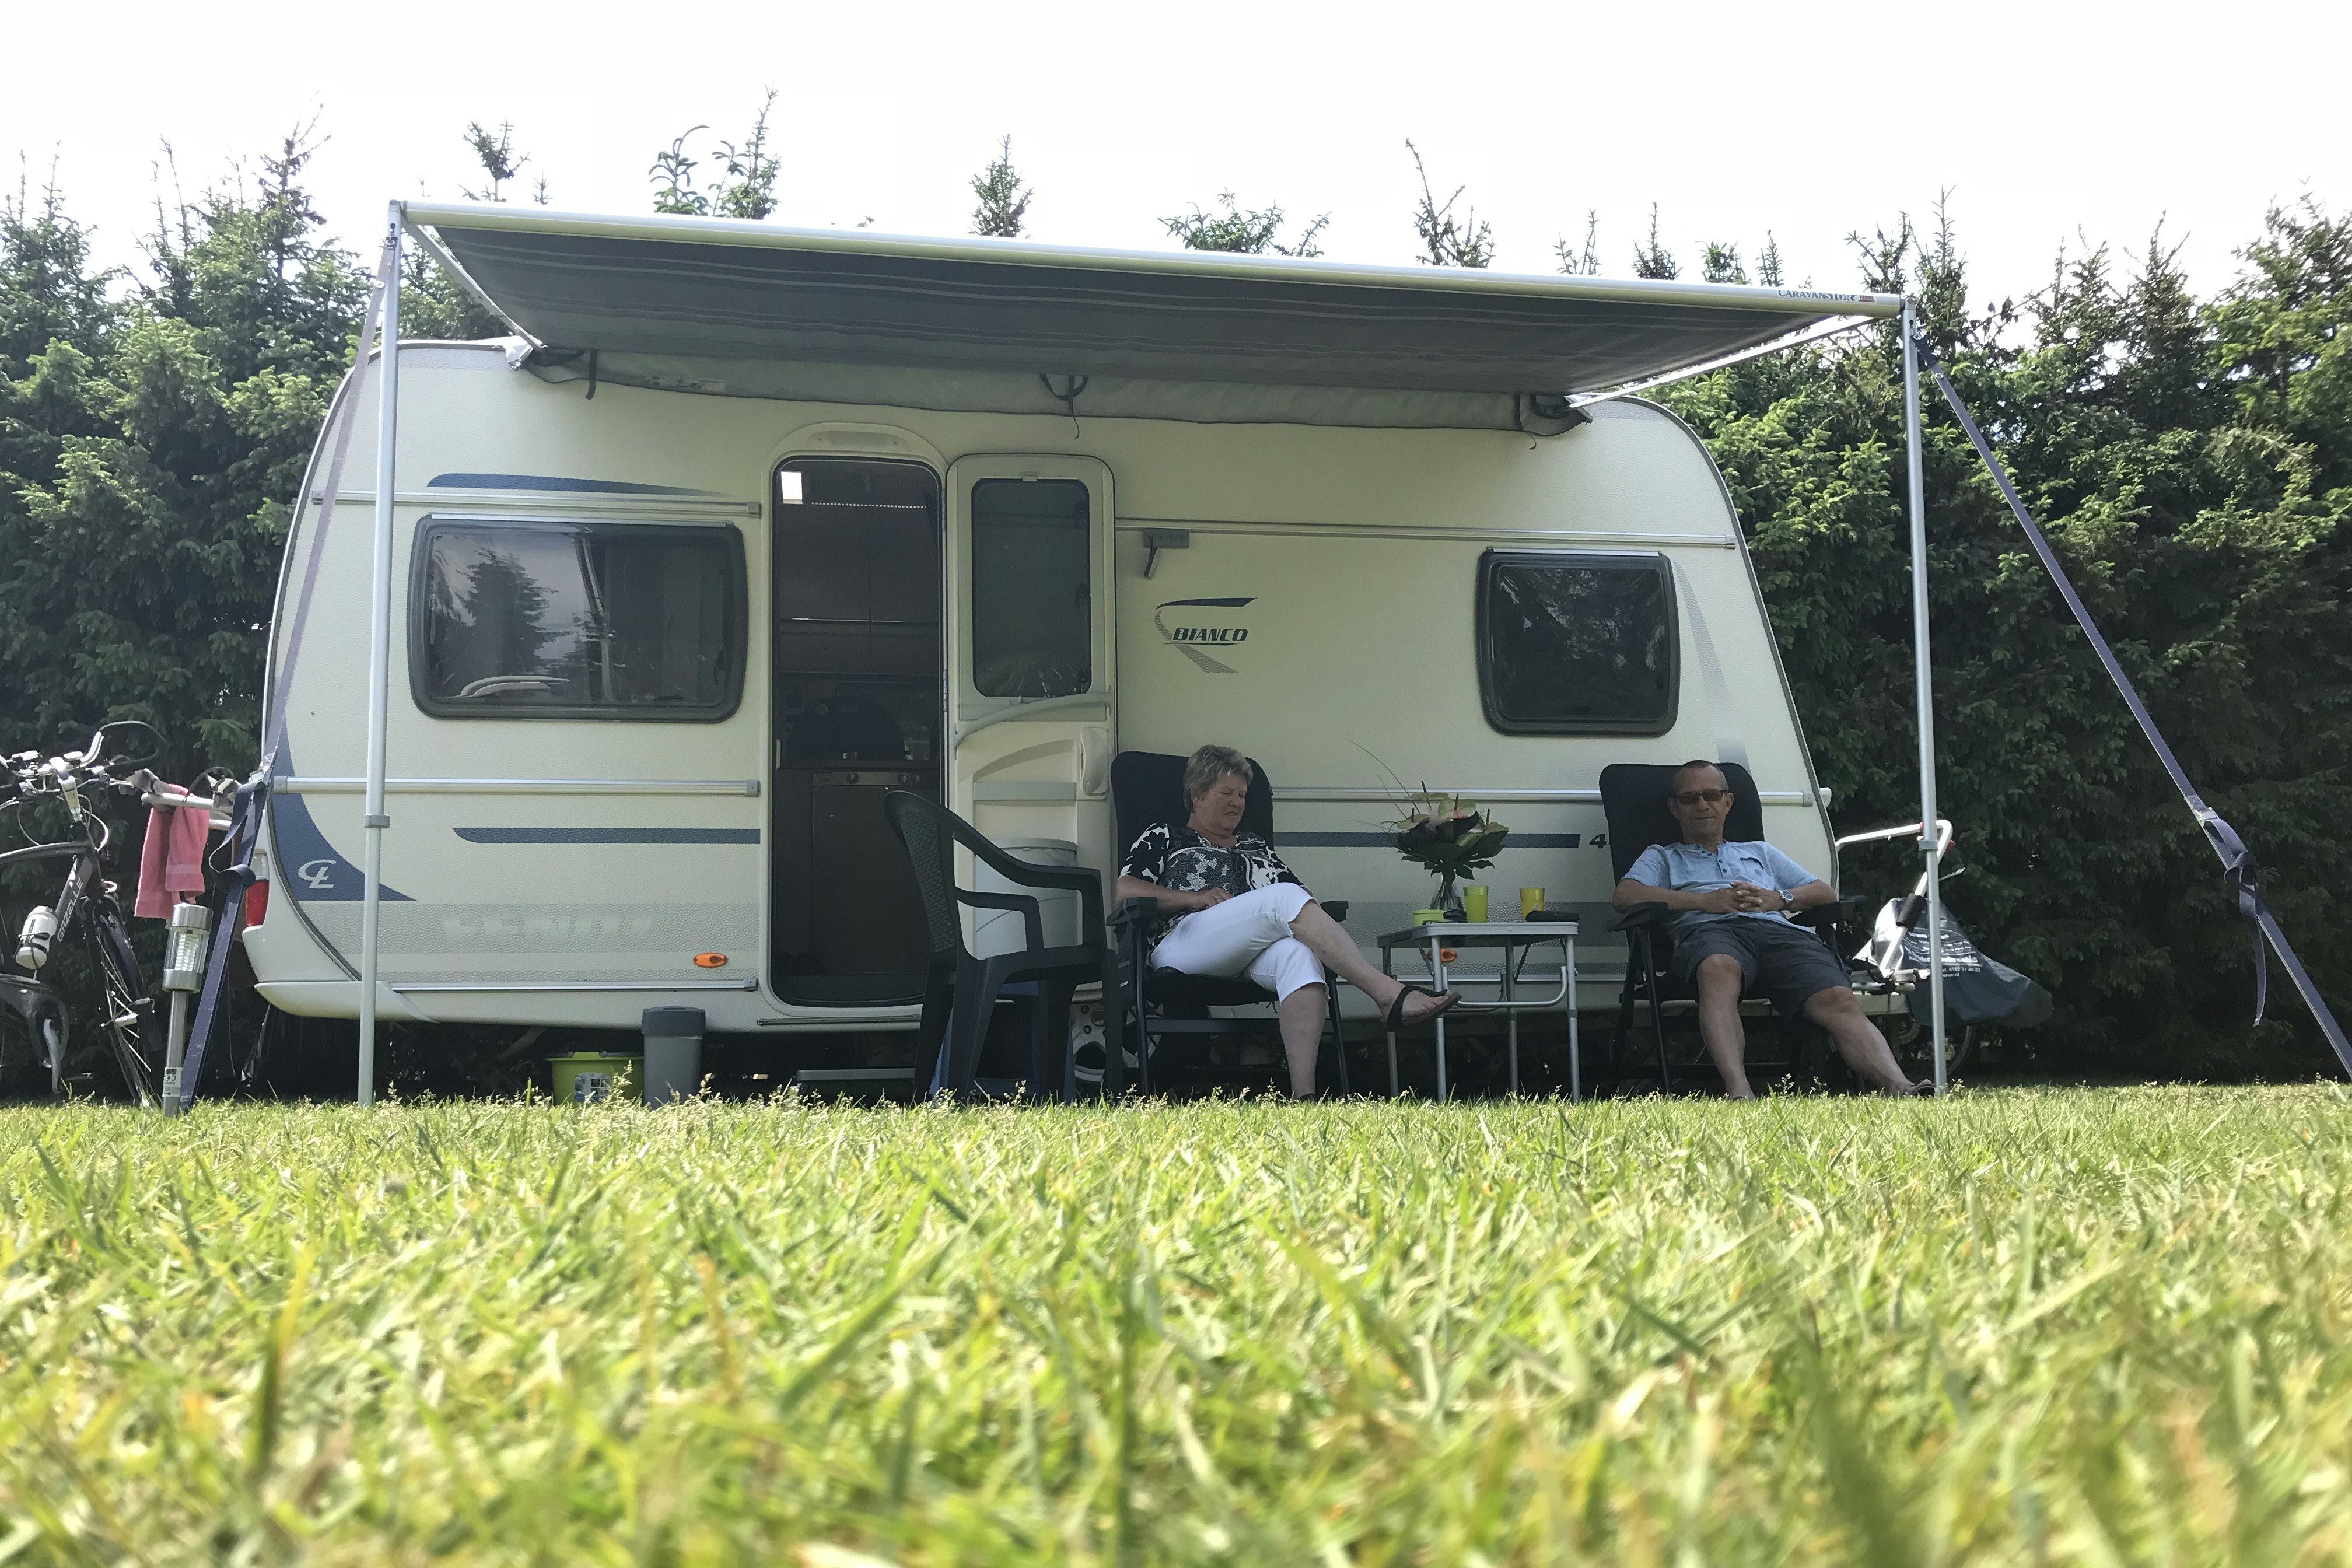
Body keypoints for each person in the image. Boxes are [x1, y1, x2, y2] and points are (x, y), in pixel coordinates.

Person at [1118, 744, 1457, 1098]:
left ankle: (1303, 1097)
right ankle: (1386, 993)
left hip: (1248, 950)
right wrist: (1194, 898)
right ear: (1198, 795)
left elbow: (1298, 896)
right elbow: (1125, 890)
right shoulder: (1166, 836)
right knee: (1282, 898)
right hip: (1183, 943)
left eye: (1242, 794)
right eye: (1226, 793)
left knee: (1301, 957)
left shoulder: (1256, 846)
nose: (1237, 802)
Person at [1612, 760, 1924, 1098]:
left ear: (1727, 803)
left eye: (1712, 795)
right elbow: (1625, 896)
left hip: (1779, 934)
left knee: (1836, 997)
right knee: (1718, 968)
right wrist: (1705, 901)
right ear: (1675, 808)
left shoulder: (1759, 851)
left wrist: (1779, 898)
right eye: (1690, 799)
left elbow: (1824, 893)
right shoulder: (1662, 856)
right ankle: (1739, 1091)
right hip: (1711, 933)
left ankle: (1900, 1086)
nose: (1702, 805)